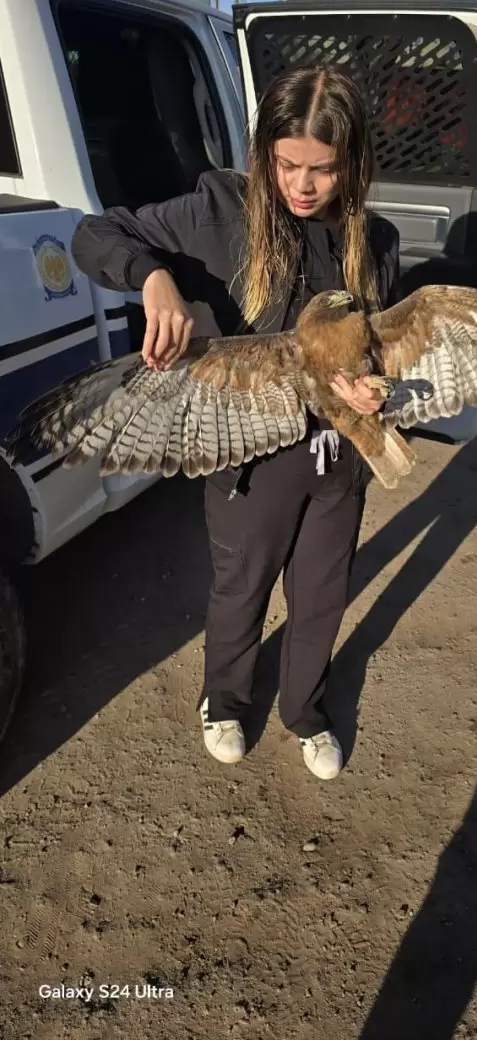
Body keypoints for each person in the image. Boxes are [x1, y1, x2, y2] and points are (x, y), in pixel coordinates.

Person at [71, 66, 401, 780]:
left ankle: (305, 713)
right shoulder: (218, 213)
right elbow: (95, 235)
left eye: (322, 169)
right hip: (247, 459)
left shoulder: (374, 239)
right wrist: (153, 276)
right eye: (285, 165)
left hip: (337, 460)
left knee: (322, 595)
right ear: (264, 155)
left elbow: (378, 352)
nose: (302, 186)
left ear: (354, 163)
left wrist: (378, 393)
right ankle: (224, 700)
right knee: (241, 586)